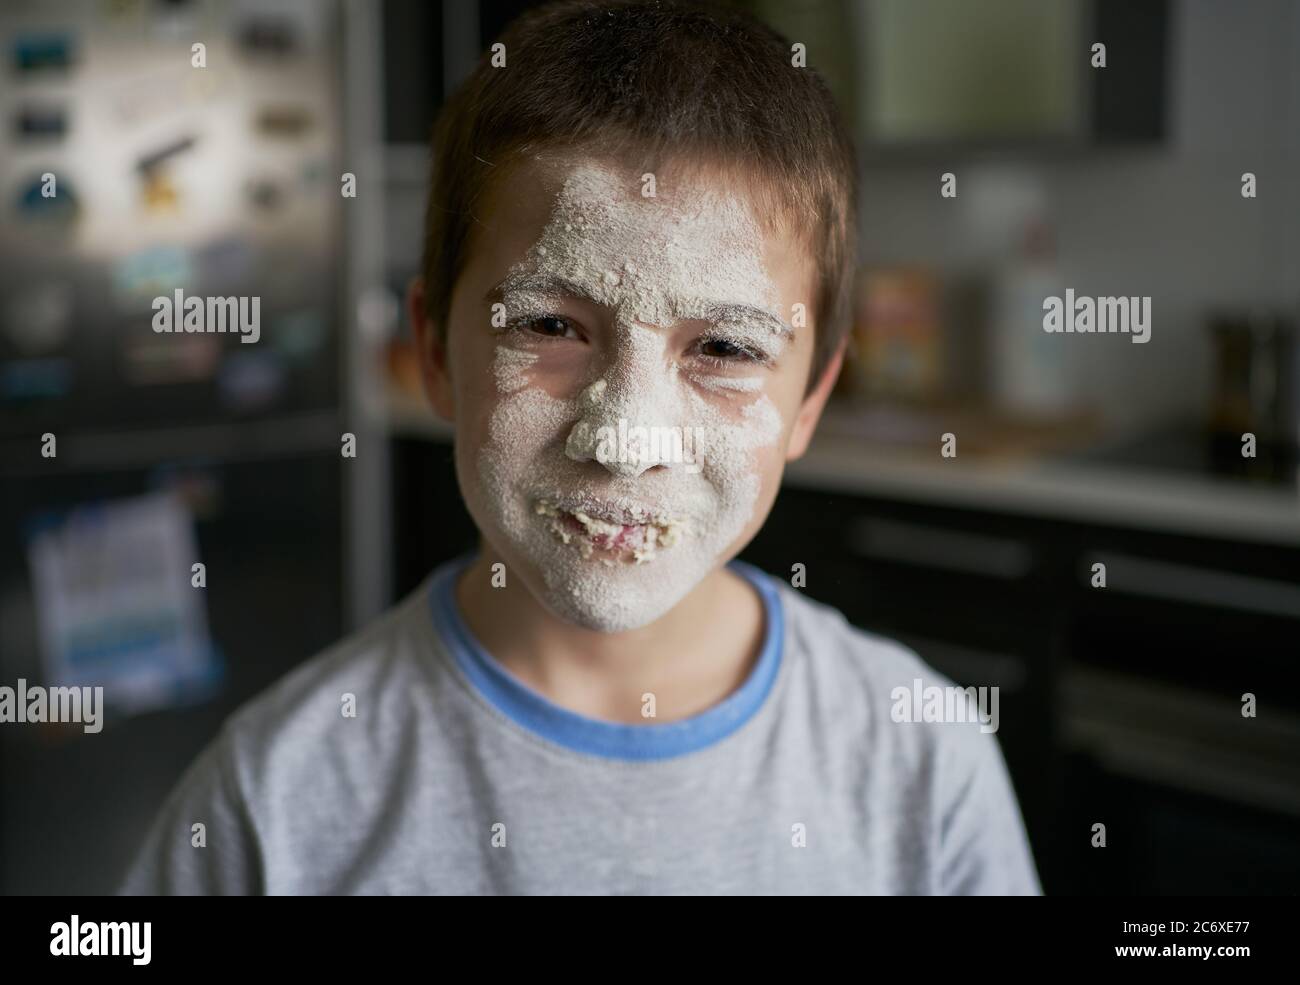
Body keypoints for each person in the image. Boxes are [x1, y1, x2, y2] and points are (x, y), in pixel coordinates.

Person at [119, 0, 1041, 895]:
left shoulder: (921, 760)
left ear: (808, 401)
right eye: (551, 323)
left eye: (723, 348)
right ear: (436, 352)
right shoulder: (273, 804)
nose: (624, 438)